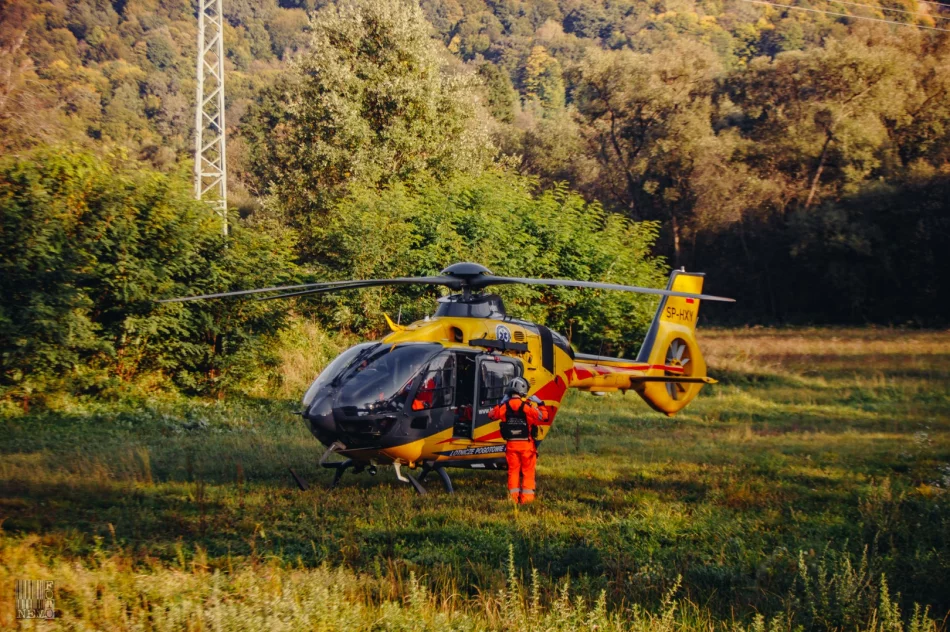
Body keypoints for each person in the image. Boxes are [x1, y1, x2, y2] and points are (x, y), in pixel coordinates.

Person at [488, 377, 547, 504]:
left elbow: (491, 415)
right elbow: (544, 417)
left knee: (513, 472)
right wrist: (541, 404)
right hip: (527, 446)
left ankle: (513, 499)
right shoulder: (528, 407)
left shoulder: (504, 407)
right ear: (524, 390)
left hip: (511, 446)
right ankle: (526, 501)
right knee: (528, 472)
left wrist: (501, 403)